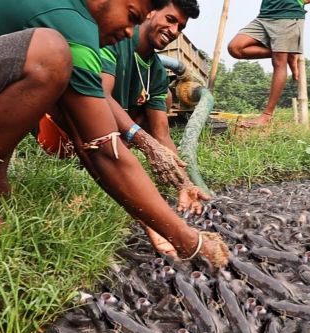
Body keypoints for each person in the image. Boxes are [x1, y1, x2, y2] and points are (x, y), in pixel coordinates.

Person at [0, 0, 229, 267]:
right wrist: (187, 239)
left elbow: (86, 136)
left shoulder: (70, 15)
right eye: (132, 17)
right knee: (49, 55)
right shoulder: (69, 21)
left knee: (48, 77)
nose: (127, 31)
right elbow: (102, 149)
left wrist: (155, 206)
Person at [36, 0, 205, 256]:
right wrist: (143, 142)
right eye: (170, 19)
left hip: (114, 133)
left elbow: (161, 134)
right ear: (150, 11)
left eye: (180, 27)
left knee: (165, 100)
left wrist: (184, 183)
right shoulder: (115, 35)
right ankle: (118, 170)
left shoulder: (157, 71)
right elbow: (99, 95)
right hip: (65, 132)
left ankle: (120, 159)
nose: (173, 30)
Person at [228, 0, 310, 127]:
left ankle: (267, 115)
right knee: (235, 48)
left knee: (278, 62)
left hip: (288, 15)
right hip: (265, 15)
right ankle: (289, 52)